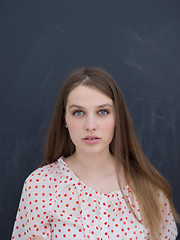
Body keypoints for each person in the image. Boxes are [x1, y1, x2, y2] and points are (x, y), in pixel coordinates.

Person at [11, 67, 179, 240]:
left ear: (117, 118)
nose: (90, 125)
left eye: (103, 112)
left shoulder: (150, 188)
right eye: (78, 112)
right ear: (65, 119)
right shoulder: (40, 186)